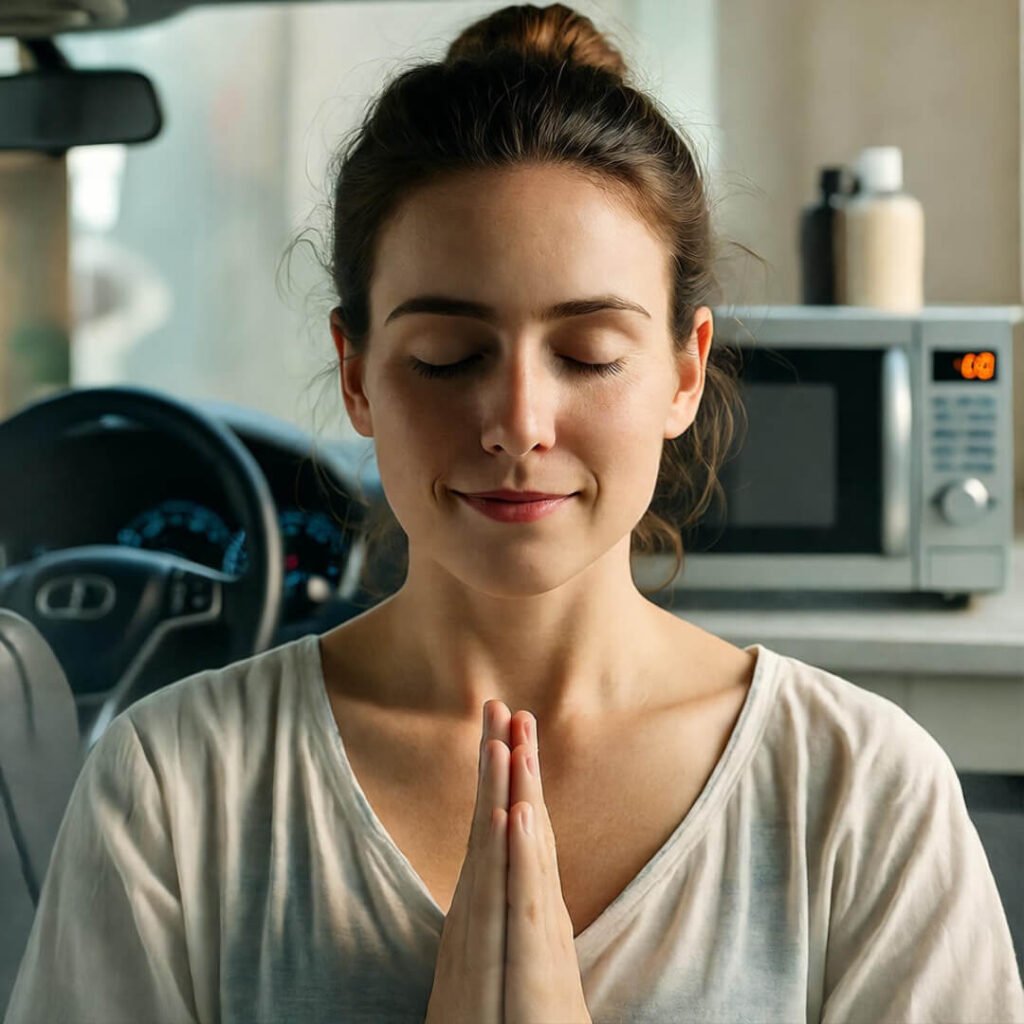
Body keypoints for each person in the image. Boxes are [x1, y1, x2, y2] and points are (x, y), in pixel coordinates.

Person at [5, 4, 1023, 1022]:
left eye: (588, 356)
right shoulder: (174, 789)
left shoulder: (861, 795)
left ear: (685, 371)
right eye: (449, 358)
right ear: (357, 374)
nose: (518, 424)